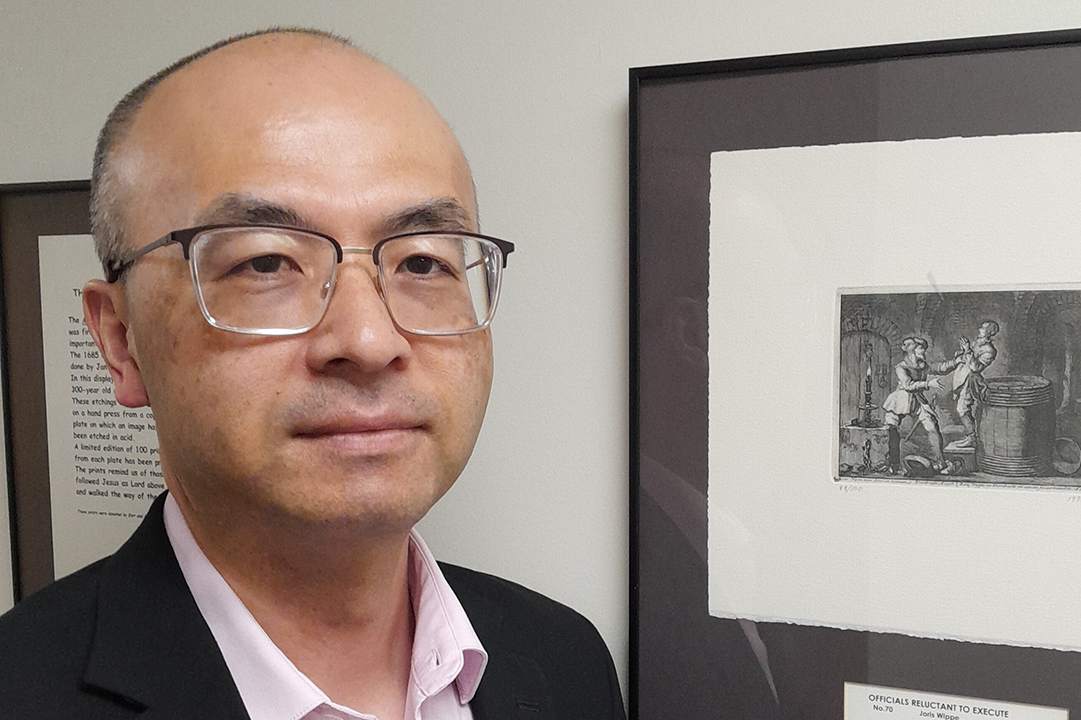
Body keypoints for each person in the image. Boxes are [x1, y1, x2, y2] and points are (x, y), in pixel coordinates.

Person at [0, 28, 625, 719]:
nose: (366, 339)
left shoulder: (565, 660)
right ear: (121, 342)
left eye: (422, 262)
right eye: (264, 263)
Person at [881, 336, 959, 472]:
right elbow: (908, 385)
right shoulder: (901, 367)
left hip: (917, 399)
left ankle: (940, 461)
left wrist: (956, 361)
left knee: (932, 427)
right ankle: (893, 464)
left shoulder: (923, 366)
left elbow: (941, 368)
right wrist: (929, 383)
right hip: (900, 399)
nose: (924, 352)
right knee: (891, 429)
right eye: (921, 350)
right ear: (912, 352)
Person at [947, 320, 999, 450]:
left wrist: (968, 350)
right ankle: (969, 436)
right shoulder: (976, 343)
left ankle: (971, 438)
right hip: (961, 378)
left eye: (983, 327)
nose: (980, 328)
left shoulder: (989, 350)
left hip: (970, 380)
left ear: (989, 332)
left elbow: (975, 367)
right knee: (960, 408)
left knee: (963, 409)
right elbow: (966, 358)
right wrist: (962, 352)